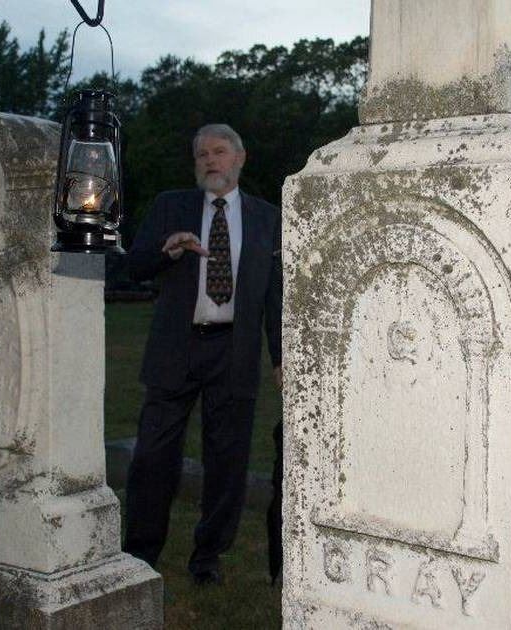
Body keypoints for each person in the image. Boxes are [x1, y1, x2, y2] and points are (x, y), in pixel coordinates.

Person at [123, 123, 282, 585]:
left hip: (234, 351)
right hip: (176, 348)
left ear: (240, 158)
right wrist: (166, 252)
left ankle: (207, 559)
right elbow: (134, 265)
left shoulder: (267, 217)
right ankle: (140, 555)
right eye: (201, 155)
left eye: (218, 152)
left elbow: (274, 293)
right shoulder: (170, 206)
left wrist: (280, 356)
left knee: (228, 463)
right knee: (153, 457)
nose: (209, 161)